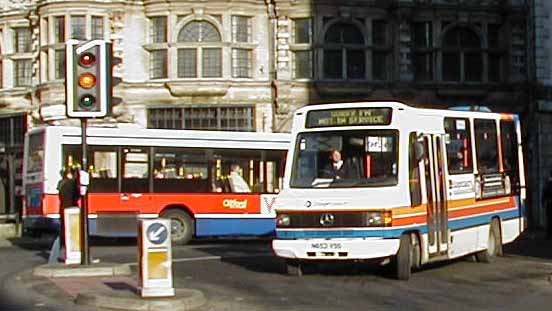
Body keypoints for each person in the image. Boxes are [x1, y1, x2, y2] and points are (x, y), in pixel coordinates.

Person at [543, 172, 552, 239]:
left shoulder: (548, 184)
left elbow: (544, 195)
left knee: (549, 219)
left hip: (549, 203)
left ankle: (549, 234)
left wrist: (543, 203)